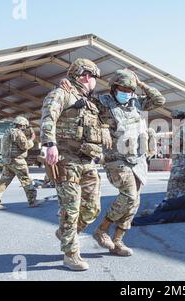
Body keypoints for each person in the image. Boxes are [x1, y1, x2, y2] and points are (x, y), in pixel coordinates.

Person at [61, 68, 166, 256]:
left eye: (129, 90)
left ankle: (118, 240)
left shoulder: (138, 103)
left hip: (138, 159)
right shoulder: (102, 103)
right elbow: (81, 99)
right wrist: (66, 85)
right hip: (116, 158)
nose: (126, 93)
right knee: (129, 196)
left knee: (134, 204)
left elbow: (159, 100)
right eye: (122, 89)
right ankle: (102, 230)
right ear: (113, 88)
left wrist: (140, 84)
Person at [40, 58, 111, 271]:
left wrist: (105, 127)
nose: (95, 83)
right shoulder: (61, 93)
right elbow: (48, 117)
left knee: (92, 209)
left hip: (87, 161)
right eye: (94, 78)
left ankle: (64, 233)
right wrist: (49, 144)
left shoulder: (90, 101)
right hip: (66, 159)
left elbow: (103, 118)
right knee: (70, 209)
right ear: (86, 76)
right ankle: (71, 254)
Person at [0, 116, 38, 210]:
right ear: (22, 125)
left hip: (7, 161)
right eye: (25, 126)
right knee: (26, 180)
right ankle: (33, 201)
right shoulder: (18, 133)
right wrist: (31, 139)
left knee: (3, 182)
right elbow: (24, 146)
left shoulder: (8, 131)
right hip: (17, 161)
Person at [165, 109, 185, 200]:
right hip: (180, 157)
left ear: (179, 118)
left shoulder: (184, 128)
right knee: (184, 180)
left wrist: (168, 142)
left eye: (174, 119)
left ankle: (169, 200)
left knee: (174, 179)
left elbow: (178, 141)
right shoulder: (182, 127)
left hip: (181, 158)